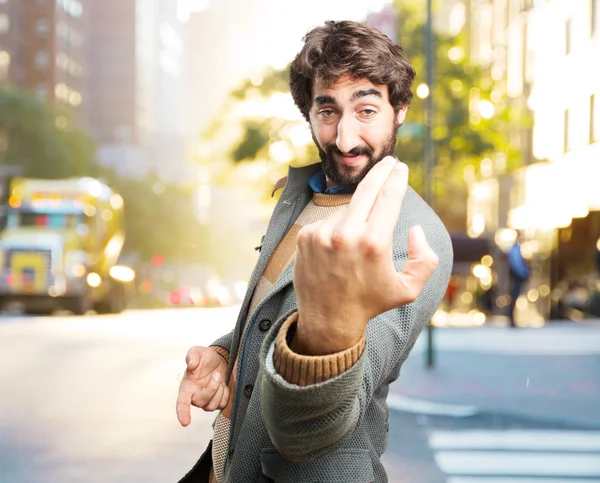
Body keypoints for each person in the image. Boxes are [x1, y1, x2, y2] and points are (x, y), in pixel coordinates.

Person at [176, 21, 453, 483]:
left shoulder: (414, 237)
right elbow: (277, 314)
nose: (345, 139)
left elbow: (318, 423)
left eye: (366, 110)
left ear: (399, 109)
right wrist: (225, 355)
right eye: (328, 112)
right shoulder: (300, 194)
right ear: (308, 113)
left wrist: (329, 333)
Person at [507, 232, 530, 327]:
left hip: (517, 275)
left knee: (514, 297)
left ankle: (512, 319)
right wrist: (524, 273)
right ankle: (511, 320)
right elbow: (516, 264)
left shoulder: (516, 248)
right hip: (517, 276)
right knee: (514, 297)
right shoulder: (515, 249)